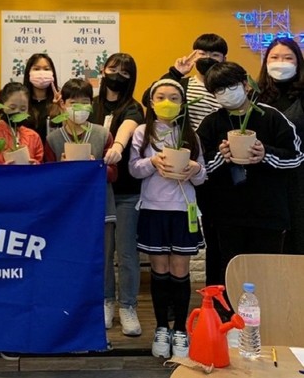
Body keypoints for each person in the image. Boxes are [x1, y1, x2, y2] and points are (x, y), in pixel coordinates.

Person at [198, 61, 302, 285]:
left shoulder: (271, 117)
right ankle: (228, 307)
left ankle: (264, 308)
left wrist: (265, 154)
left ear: (246, 84)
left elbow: (296, 158)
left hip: (268, 214)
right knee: (228, 272)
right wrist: (221, 156)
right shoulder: (211, 123)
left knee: (265, 273)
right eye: (218, 90)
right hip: (225, 215)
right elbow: (199, 169)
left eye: (230, 86)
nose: (226, 93)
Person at [141, 33, 228, 286]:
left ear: (224, 59)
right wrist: (175, 73)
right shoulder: (184, 85)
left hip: (213, 165)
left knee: (215, 233)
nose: (208, 58)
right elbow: (150, 98)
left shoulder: (224, 89)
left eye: (215, 55)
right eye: (202, 53)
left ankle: (215, 290)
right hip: (179, 166)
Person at [129, 79, 206, 359]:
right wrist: (153, 162)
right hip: (153, 208)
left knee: (180, 270)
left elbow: (202, 175)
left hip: (183, 210)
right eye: (161, 97)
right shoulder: (142, 132)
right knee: (159, 269)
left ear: (183, 104)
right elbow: (134, 169)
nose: (167, 103)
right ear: (151, 102)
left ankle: (181, 329)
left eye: (174, 98)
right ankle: (162, 327)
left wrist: (195, 169)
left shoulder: (191, 134)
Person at [46, 78, 118, 345]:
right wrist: (62, 166)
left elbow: (114, 173)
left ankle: (106, 301)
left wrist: (96, 166)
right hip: (67, 213)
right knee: (69, 259)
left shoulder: (102, 134)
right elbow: (47, 175)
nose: (79, 107)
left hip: (101, 206)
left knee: (104, 257)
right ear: (63, 104)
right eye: (73, 102)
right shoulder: (53, 138)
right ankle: (70, 305)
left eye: (85, 102)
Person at [91, 52, 144, 337]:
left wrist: (118, 147)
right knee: (102, 251)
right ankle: (105, 301)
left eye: (125, 73)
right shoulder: (90, 106)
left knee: (126, 253)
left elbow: (127, 129)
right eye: (113, 69)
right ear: (103, 70)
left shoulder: (133, 108)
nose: (117, 76)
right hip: (96, 192)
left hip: (126, 192)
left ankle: (128, 305)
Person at [256, 37, 304, 254]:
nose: (280, 62)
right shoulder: (255, 95)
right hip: (265, 177)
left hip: (299, 178)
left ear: (298, 62)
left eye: (288, 58)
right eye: (274, 57)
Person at [0, 82, 42, 164]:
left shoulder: (34, 137)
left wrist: (35, 164)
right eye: (12, 108)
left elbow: (41, 165)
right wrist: (2, 169)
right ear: (2, 105)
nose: (17, 112)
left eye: (23, 109)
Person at [21, 53, 61, 144]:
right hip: (27, 151)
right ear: (28, 73)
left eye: (46, 69)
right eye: (36, 69)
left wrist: (62, 107)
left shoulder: (60, 101)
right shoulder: (21, 102)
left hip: (52, 151)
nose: (41, 73)